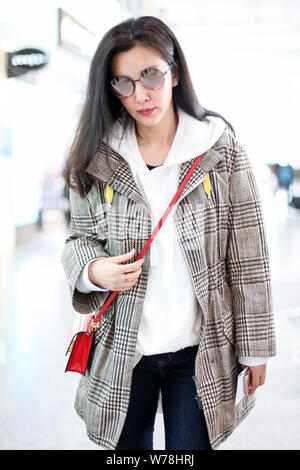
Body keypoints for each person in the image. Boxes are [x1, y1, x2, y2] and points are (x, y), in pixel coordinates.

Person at [61, 16, 276, 451]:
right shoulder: (97, 157)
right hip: (124, 346)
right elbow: (78, 239)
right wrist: (94, 270)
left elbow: (249, 256)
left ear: (174, 73)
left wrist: (254, 349)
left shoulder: (219, 149)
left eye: (152, 75)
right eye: (123, 82)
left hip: (200, 348)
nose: (140, 94)